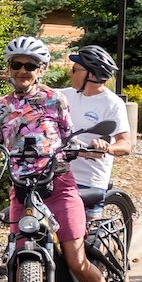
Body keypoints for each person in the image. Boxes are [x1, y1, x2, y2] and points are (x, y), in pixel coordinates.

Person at [0, 37, 126, 282]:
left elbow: (67, 138)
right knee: (19, 261)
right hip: (22, 190)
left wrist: (83, 147)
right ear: (9, 68)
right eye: (17, 65)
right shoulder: (0, 106)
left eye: (30, 66)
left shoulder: (55, 100)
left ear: (42, 69)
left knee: (76, 259)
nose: (23, 71)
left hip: (59, 186)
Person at [57, 44, 132, 214]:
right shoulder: (64, 96)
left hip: (88, 181)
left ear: (90, 75)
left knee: (84, 236)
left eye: (74, 69)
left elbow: (126, 144)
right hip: (59, 175)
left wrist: (108, 147)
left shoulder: (112, 103)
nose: (70, 73)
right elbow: (38, 94)